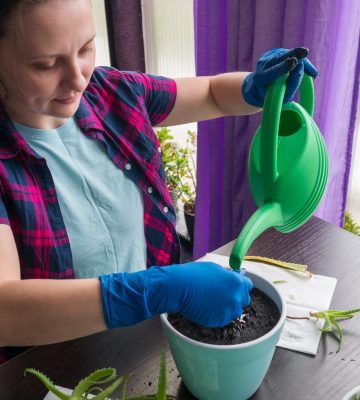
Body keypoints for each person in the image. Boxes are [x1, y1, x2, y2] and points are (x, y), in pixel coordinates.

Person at [0, 0, 317, 364]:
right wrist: (158, 289)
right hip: (57, 366)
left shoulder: (113, 94)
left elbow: (213, 93)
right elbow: (5, 311)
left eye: (86, 47)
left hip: (148, 341)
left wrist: (252, 89)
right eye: (47, 64)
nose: (77, 79)